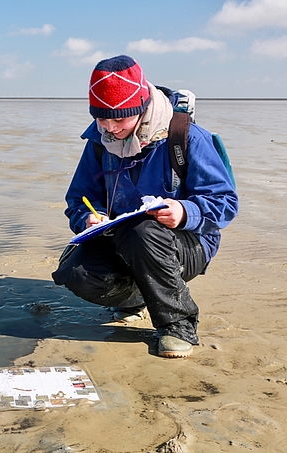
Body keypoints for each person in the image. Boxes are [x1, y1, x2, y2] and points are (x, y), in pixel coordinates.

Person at [52, 56, 239, 358]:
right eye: (102, 119)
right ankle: (135, 300)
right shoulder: (100, 142)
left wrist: (184, 212)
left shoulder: (186, 136)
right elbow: (78, 197)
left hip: (187, 244)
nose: (110, 129)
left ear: (140, 108)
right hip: (122, 241)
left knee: (142, 232)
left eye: (119, 120)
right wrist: (88, 216)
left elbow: (226, 203)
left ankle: (178, 325)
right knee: (76, 272)